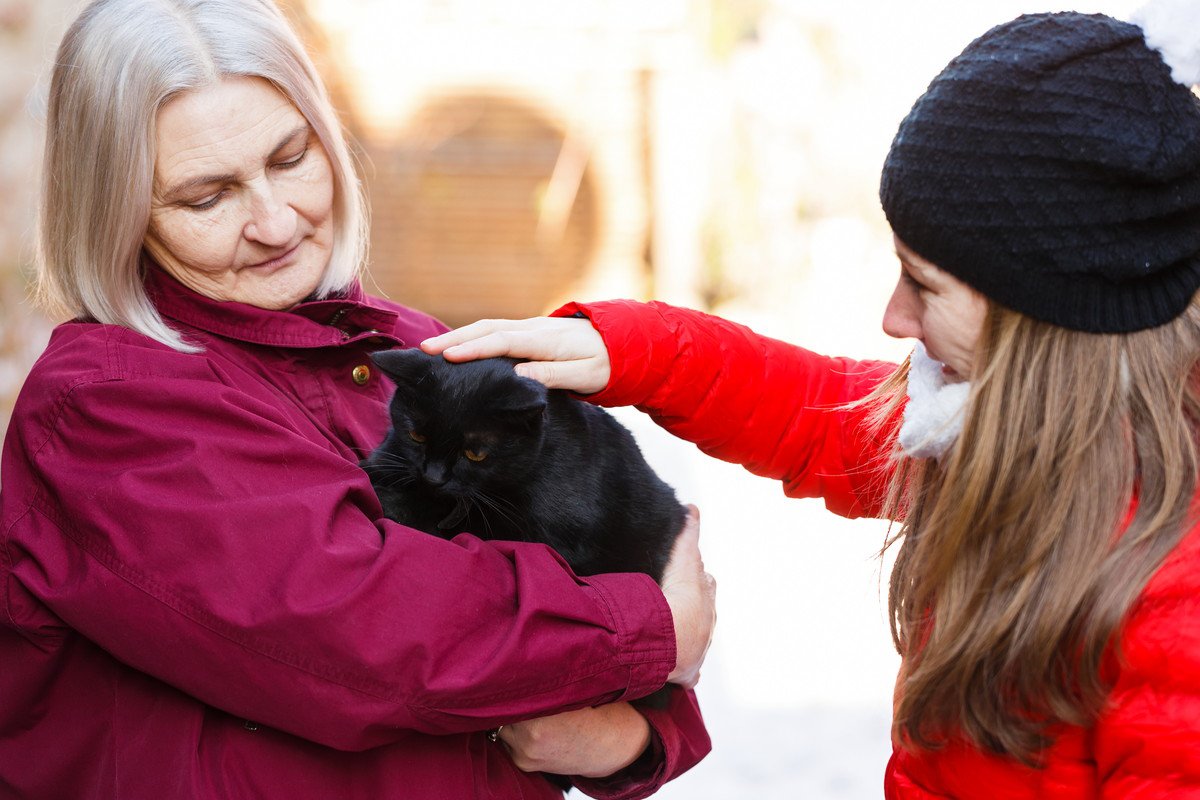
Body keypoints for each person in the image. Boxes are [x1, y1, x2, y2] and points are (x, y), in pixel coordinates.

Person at [423, 5, 1200, 798]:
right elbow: (813, 408)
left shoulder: (1176, 603)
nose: (893, 319)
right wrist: (631, 350)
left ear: (1051, 315)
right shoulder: (999, 434)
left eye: (924, 285)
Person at [0, 1, 716, 798]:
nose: (276, 222)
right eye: (207, 198)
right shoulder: (107, 406)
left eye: (291, 156)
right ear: (116, 214)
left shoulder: (403, 346)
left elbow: (608, 540)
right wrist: (644, 629)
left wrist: (629, 737)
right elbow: (363, 635)